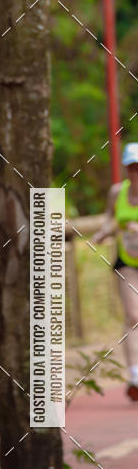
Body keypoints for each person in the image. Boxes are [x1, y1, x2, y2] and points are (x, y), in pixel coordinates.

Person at [93, 143, 138, 402]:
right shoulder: (117, 193)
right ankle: (134, 375)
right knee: (133, 315)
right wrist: (105, 230)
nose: (135, 173)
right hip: (127, 261)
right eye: (131, 167)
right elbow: (109, 218)